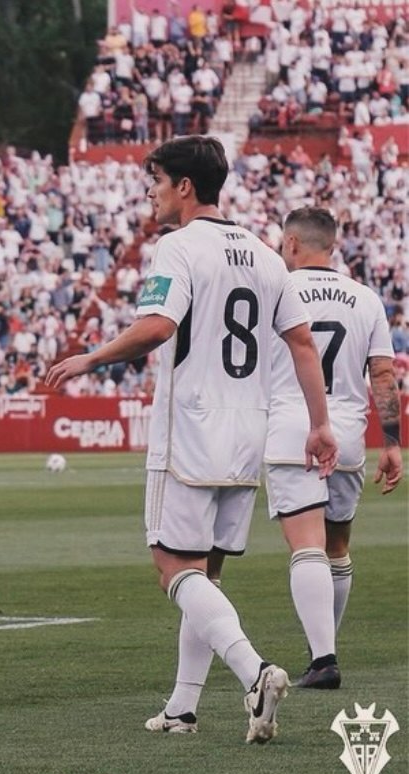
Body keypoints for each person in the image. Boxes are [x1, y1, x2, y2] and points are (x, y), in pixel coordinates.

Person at [45, 136, 337, 743]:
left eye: (155, 179)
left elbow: (157, 326)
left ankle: (255, 673)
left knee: (172, 568)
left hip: (190, 428)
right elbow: (302, 343)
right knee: (205, 575)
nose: (149, 191)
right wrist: (318, 423)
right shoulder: (264, 253)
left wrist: (91, 359)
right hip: (246, 430)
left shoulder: (178, 247)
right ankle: (181, 709)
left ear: (184, 186)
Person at [264, 207, 402, 689]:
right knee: (336, 548)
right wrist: (392, 443)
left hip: (293, 431)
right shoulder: (365, 299)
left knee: (305, 545)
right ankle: (324, 649)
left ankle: (323, 660)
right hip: (346, 437)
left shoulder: (276, 290)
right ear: (334, 245)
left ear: (292, 244)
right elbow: (383, 375)